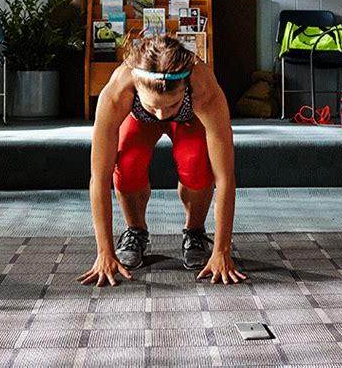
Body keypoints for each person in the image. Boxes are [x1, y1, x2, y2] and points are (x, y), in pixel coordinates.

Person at [78, 33, 246, 287]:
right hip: (137, 121)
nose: (160, 114)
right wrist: (104, 252)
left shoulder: (203, 88)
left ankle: (195, 233)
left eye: (170, 106)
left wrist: (222, 251)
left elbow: (225, 177)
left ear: (185, 87)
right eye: (153, 106)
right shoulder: (118, 90)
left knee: (196, 161)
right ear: (136, 86)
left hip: (189, 120)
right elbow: (98, 178)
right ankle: (135, 230)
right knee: (127, 163)